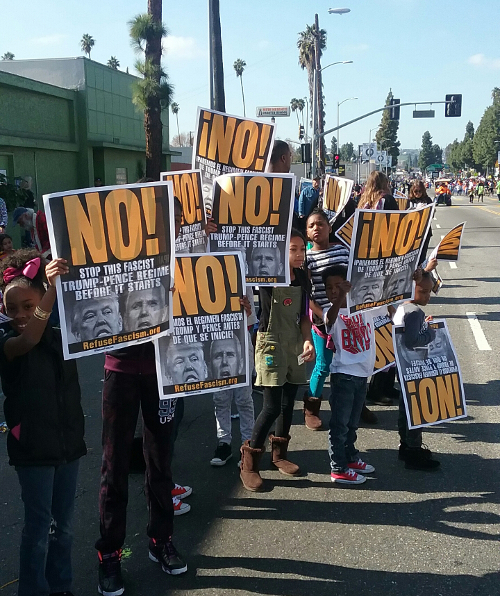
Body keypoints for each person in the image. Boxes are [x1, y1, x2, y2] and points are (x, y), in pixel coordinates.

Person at [96, 197, 188, 596]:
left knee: (160, 463)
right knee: (114, 466)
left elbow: (211, 306)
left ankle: (160, 539)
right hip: (120, 370)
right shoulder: (115, 254)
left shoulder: (191, 259)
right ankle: (110, 554)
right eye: (166, 216)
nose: (174, 223)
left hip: (162, 372)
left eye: (178, 217)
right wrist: (55, 275)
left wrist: (234, 303)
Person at [0, 249, 86, 596]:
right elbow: (29, 338)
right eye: (12, 308)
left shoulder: (64, 331)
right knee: (38, 528)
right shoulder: (7, 341)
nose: (20, 314)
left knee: (62, 527)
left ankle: (60, 586)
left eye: (27, 304)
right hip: (32, 448)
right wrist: (50, 290)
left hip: (68, 444)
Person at [240, 229, 315, 491]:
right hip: (270, 342)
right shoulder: (267, 275)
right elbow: (243, 270)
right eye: (292, 249)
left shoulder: (304, 277)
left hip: (294, 340)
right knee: (271, 406)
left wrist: (308, 340)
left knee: (287, 403)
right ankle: (249, 464)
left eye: (301, 249)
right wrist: (244, 302)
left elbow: (305, 315)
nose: (298, 254)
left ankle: (279, 455)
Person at [322, 264, 377, 484]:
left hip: (362, 375)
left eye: (338, 285)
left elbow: (390, 302)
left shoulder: (364, 306)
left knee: (353, 423)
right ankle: (338, 468)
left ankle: (351, 457)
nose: (333, 290)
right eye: (329, 288)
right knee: (340, 425)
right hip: (343, 375)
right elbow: (329, 321)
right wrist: (342, 296)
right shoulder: (332, 311)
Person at [304, 209, 350, 430]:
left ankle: (354, 406)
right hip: (322, 320)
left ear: (329, 227)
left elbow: (355, 277)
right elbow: (306, 293)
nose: (316, 229)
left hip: (348, 317)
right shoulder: (307, 258)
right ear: (306, 232)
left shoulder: (343, 251)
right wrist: (323, 316)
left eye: (320, 224)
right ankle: (311, 408)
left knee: (349, 364)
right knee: (323, 365)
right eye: (311, 225)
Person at [393, 270, 440, 471]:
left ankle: (406, 446)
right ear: (411, 288)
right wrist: (430, 333)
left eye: (430, 292)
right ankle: (413, 450)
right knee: (416, 409)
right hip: (413, 367)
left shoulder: (403, 307)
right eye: (424, 291)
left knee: (406, 408)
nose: (427, 296)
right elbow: (413, 341)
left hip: (402, 366)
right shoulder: (414, 312)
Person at [210, 300, 257, 467]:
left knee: (244, 398)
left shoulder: (241, 278)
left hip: (241, 339)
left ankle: (248, 442)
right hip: (215, 338)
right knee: (220, 398)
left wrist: (247, 312)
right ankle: (224, 442)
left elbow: (250, 317)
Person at [408, 180, 433, 265]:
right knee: (413, 255)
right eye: (415, 191)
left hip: (425, 231)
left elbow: (431, 215)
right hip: (412, 232)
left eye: (420, 191)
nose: (418, 193)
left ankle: (422, 273)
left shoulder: (427, 200)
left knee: (422, 255)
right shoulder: (409, 201)